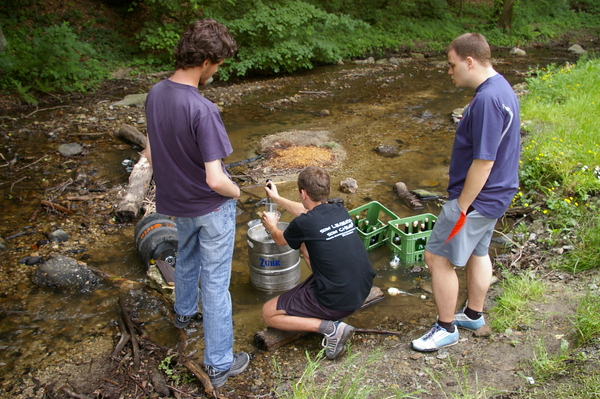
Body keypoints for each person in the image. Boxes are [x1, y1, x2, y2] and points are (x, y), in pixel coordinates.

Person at [144, 19, 249, 387]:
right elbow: (216, 179)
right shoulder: (203, 110)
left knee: (186, 257)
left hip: (178, 204)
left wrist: (177, 179)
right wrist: (237, 191)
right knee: (217, 284)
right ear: (205, 60)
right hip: (212, 207)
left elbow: (151, 152)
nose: (218, 70)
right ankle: (220, 363)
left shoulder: (156, 93)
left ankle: (183, 315)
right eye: (218, 63)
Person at [411, 33, 520, 352]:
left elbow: (484, 163)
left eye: (452, 64)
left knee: (436, 257)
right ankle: (473, 314)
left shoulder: (487, 100)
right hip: (498, 194)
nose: (449, 71)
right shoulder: (501, 88)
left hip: (477, 199)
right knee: (478, 251)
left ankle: (445, 328)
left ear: (469, 61)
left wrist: (461, 206)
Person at [260, 166, 376, 360]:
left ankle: (331, 329)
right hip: (361, 289)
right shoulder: (339, 210)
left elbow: (280, 239)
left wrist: (271, 225)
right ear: (327, 191)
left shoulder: (304, 223)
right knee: (305, 245)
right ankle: (321, 306)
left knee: (268, 313)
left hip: (337, 300)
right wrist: (277, 199)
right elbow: (304, 212)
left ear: (303, 193)